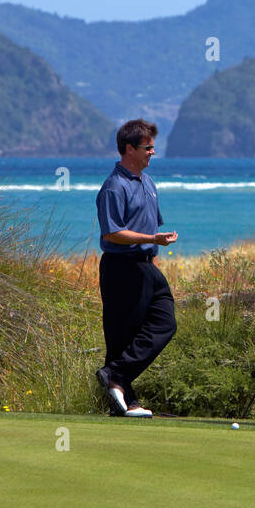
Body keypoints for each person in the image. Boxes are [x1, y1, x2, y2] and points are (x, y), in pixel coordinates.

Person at [95, 119, 178, 417]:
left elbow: (151, 225)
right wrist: (152, 239)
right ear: (129, 149)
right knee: (122, 335)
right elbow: (112, 233)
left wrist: (153, 258)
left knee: (165, 322)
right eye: (148, 147)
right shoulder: (114, 187)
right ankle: (125, 402)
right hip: (121, 266)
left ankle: (114, 374)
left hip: (146, 267)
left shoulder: (148, 183)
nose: (153, 152)